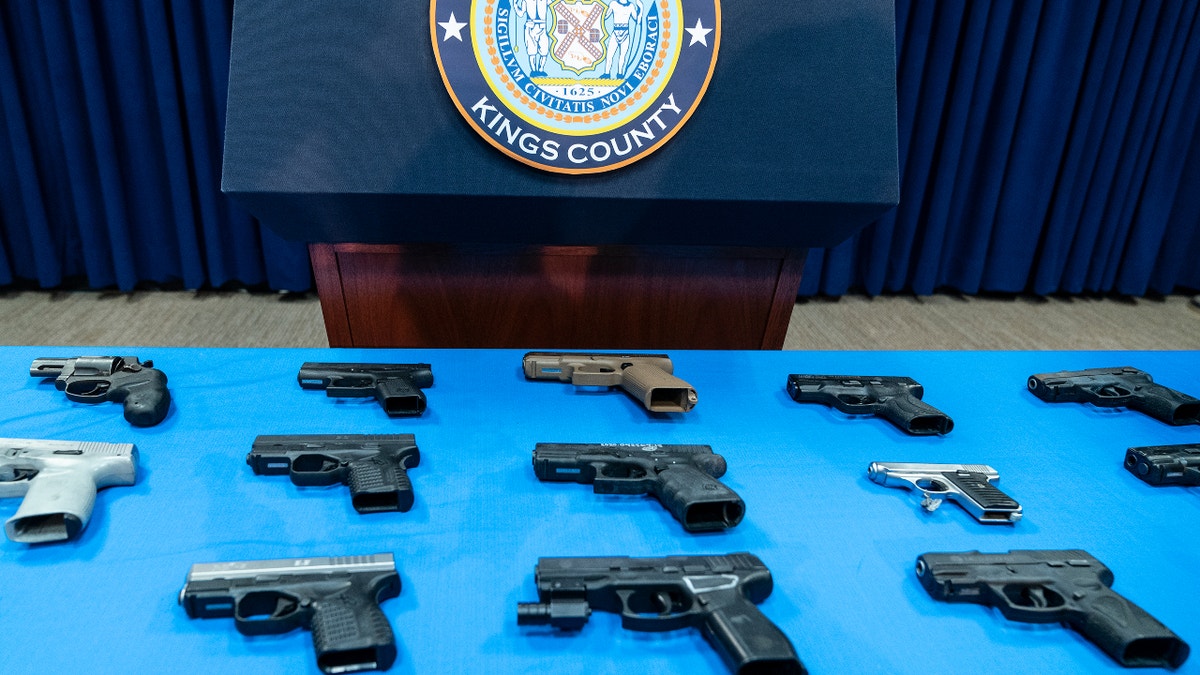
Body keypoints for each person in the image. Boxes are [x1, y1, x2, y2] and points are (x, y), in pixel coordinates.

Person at [604, 0, 642, 79]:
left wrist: (641, 8)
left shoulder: (631, 6)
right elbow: (605, 16)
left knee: (622, 56)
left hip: (626, 34)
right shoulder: (613, 4)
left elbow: (638, 21)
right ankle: (607, 74)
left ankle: (620, 74)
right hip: (615, 32)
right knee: (609, 54)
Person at [515, 0, 550, 76]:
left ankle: (541, 70)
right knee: (532, 51)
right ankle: (534, 71)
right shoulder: (526, 1)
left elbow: (554, 4)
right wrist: (515, 5)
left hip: (542, 27)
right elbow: (520, 14)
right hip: (530, 28)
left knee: (544, 51)